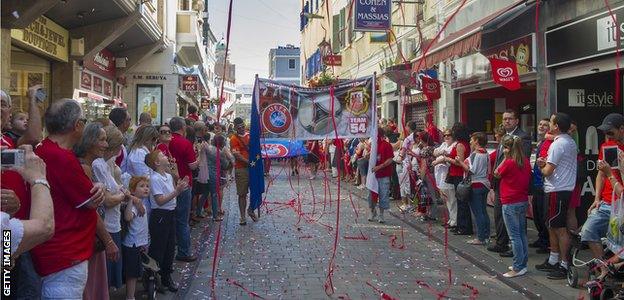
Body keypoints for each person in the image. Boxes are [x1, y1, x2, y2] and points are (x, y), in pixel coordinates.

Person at [32, 99, 106, 298]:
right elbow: (90, 200)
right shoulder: (62, 157)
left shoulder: (43, 149)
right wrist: (99, 188)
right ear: (77, 125)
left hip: (55, 251)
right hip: (65, 254)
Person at [1, 87, 44, 299]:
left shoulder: (8, 141)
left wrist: (32, 101)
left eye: (3, 104)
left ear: (9, 112)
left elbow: (34, 135)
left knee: (9, 286)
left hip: (12, 233)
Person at [74, 122, 119, 300]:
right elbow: (90, 209)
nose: (106, 145)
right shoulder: (84, 167)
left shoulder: (90, 166)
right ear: (89, 141)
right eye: (101, 140)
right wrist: (108, 241)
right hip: (88, 235)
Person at [580, 113, 624, 277]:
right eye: (605, 133)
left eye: (610, 132)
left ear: (621, 129)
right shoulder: (607, 146)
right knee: (588, 231)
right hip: (606, 201)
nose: (607, 136)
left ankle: (613, 267)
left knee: (620, 244)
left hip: (621, 202)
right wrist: (596, 198)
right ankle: (605, 268)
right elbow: (601, 174)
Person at [536, 112, 577, 280]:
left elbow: (547, 171)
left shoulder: (558, 144)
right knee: (552, 225)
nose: (548, 125)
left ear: (556, 126)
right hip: (559, 189)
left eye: (551, 123)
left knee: (559, 228)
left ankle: (564, 264)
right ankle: (554, 259)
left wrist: (541, 165)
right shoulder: (568, 141)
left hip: (557, 189)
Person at [488, 109, 531, 257]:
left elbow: (520, 159)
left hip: (513, 184)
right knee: (499, 214)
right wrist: (493, 184)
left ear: (516, 121)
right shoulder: (504, 137)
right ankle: (501, 243)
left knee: (516, 221)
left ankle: (516, 250)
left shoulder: (522, 137)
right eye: (505, 119)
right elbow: (498, 160)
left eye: (510, 119)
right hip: (500, 182)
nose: (507, 121)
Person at [146, 150, 188, 293]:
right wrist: (177, 191)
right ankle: (153, 277)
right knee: (159, 247)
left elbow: (172, 195)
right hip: (160, 215)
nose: (166, 156)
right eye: (162, 155)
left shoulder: (168, 176)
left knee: (170, 246)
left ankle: (166, 276)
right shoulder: (155, 178)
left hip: (170, 213)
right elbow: (160, 200)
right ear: (157, 162)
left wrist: (180, 188)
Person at [91, 125, 127, 291]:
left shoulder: (107, 163)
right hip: (107, 224)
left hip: (114, 222)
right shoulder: (98, 164)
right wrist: (122, 196)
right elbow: (108, 200)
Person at [494, 135, 531, 278]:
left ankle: (518, 266)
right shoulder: (526, 161)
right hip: (522, 200)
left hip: (509, 201)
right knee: (521, 234)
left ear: (508, 149)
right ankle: (523, 262)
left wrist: (504, 157)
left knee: (514, 236)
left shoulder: (509, 162)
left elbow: (496, 173)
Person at [168, 117, 198, 261]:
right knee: (182, 219)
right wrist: (201, 157)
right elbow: (192, 165)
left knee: (171, 217)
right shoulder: (185, 143)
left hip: (168, 184)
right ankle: (184, 251)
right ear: (182, 127)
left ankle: (171, 245)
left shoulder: (166, 141)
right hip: (184, 183)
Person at [458, 132, 491, 245]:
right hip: (485, 184)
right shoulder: (486, 153)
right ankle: (486, 235)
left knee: (478, 213)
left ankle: (481, 238)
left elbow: (470, 170)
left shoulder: (475, 155)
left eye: (472, 139)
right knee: (483, 211)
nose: (470, 141)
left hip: (475, 184)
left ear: (477, 141)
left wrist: (460, 162)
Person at [123, 176, 151, 300]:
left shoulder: (142, 204)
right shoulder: (135, 205)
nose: (146, 188)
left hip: (140, 242)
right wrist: (130, 200)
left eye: (147, 186)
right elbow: (128, 217)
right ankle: (130, 297)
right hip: (132, 243)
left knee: (136, 269)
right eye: (142, 186)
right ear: (133, 191)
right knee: (132, 273)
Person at [444, 123, 472, 236]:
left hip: (458, 174)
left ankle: (464, 226)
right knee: (460, 201)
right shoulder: (464, 143)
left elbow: (459, 161)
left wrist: (446, 159)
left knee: (461, 202)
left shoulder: (460, 145)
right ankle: (461, 225)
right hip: (458, 174)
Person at [230, 117, 257, 225]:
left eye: (242, 126)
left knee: (255, 191)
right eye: (238, 127)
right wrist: (249, 162)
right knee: (242, 194)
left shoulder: (251, 135)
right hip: (241, 169)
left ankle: (251, 210)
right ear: (235, 127)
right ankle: (242, 217)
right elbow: (237, 155)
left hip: (253, 168)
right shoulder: (233, 139)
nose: (241, 128)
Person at [530, 119, 551, 253]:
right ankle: (541, 237)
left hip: (544, 183)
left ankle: (546, 242)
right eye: (540, 124)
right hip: (536, 182)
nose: (542, 127)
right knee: (536, 214)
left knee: (544, 214)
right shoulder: (540, 143)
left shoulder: (550, 143)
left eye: (545, 125)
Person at [204, 135, 233, 221]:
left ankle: (198, 211)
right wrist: (231, 161)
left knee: (205, 193)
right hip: (214, 174)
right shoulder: (219, 153)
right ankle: (215, 215)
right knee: (214, 194)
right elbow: (225, 166)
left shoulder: (208, 148)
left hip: (204, 173)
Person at [368, 128, 394, 224]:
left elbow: (390, 159)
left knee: (383, 195)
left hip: (384, 175)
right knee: (371, 195)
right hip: (373, 175)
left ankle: (381, 214)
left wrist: (379, 167)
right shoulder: (373, 146)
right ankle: (372, 211)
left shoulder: (387, 145)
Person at [432, 129, 456, 229]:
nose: (446, 137)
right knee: (447, 200)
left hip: (448, 176)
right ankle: (451, 219)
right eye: (445, 135)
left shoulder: (454, 145)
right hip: (440, 177)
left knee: (452, 199)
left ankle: (454, 221)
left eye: (449, 135)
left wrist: (442, 156)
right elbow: (435, 152)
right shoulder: (444, 145)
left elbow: (449, 158)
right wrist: (442, 153)